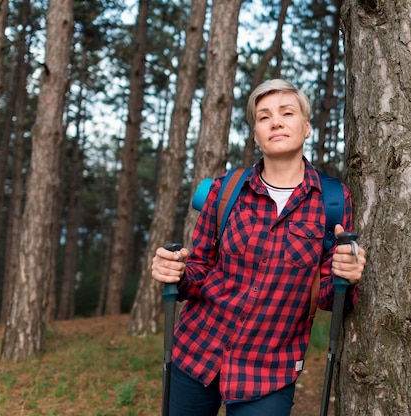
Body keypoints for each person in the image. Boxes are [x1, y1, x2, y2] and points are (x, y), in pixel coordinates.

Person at [151, 79, 366, 415]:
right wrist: (174, 272)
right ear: (255, 134)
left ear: (306, 127)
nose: (275, 122)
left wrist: (346, 275)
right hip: (196, 351)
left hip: (269, 370)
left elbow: (329, 297)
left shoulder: (334, 200)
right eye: (263, 117)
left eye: (287, 113)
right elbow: (199, 271)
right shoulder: (225, 191)